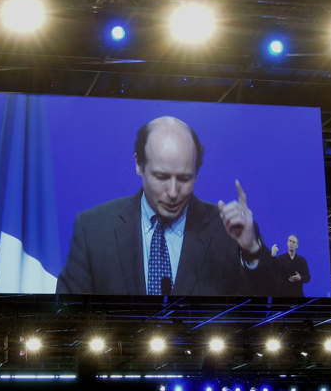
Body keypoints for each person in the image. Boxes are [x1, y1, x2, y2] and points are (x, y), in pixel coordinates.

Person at [56, 116, 280, 296]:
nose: (173, 192)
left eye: (184, 178)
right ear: (139, 165)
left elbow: (274, 309)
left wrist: (251, 250)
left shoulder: (229, 231)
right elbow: (67, 313)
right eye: (162, 177)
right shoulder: (93, 229)